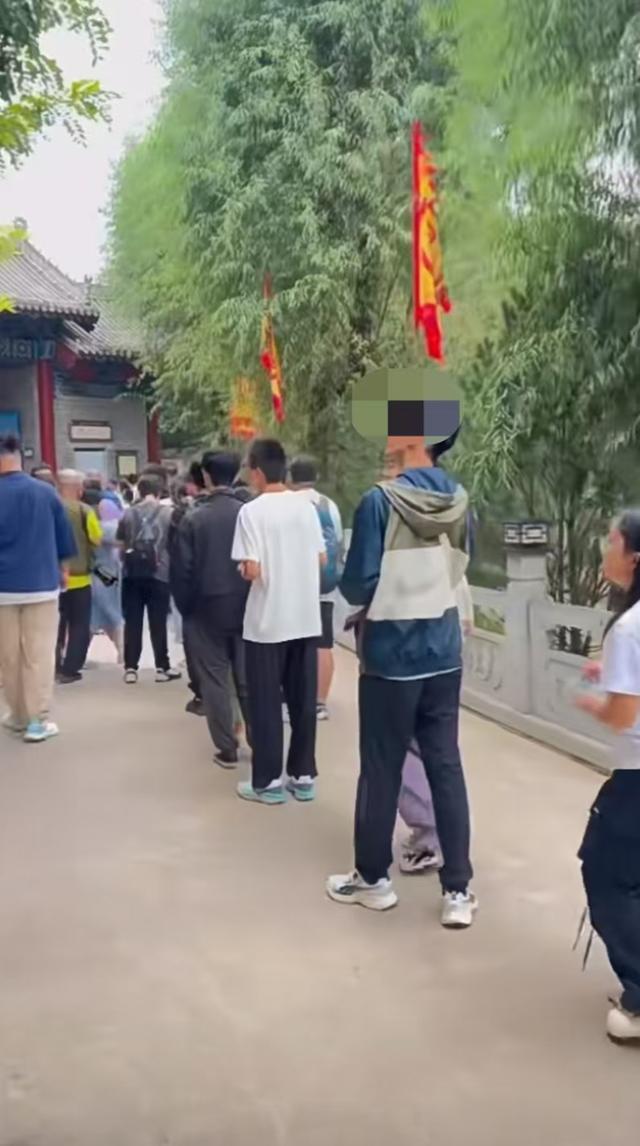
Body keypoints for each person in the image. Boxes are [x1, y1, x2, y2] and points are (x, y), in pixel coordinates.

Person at [327, 429, 476, 928]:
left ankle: (373, 880)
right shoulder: (459, 500)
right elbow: (460, 566)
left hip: (391, 655)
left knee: (381, 768)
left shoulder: (379, 501)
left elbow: (358, 584)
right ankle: (458, 890)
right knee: (445, 767)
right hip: (443, 650)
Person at [231, 439, 326, 804]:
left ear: (256, 470)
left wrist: (245, 569)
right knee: (303, 702)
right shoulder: (306, 507)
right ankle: (303, 776)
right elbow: (320, 559)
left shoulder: (251, 512)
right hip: (305, 618)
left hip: (267, 623)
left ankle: (268, 782)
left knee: (266, 703)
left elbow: (252, 569)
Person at [575, 511, 640, 1044]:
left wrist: (593, 702)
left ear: (634, 558)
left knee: (605, 873)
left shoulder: (630, 627)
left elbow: (623, 716)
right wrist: (614, 677)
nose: (605, 548)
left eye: (612, 541)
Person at [172, 451, 251, 766]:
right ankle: (261, 742)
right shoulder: (249, 513)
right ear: (237, 474)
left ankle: (227, 747)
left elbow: (182, 571)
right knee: (248, 679)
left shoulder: (194, 518)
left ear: (206, 475)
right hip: (247, 608)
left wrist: (187, 609)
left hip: (205, 609)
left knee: (215, 680)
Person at [0, 434, 76, 742]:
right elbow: (64, 539)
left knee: (8, 657)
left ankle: (17, 714)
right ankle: (37, 720)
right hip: (41, 584)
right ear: (19, 456)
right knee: (39, 655)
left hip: (2, 589)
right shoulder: (45, 493)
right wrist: (64, 571)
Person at [398, 575, 474, 875]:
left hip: (405, 656)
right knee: (442, 756)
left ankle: (429, 837)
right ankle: (448, 845)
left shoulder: (401, 549)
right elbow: (467, 620)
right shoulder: (452, 553)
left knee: (401, 751)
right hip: (447, 654)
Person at [289, 455, 343, 721]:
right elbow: (339, 542)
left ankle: (291, 698)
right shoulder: (328, 505)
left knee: (290, 644)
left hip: (293, 586)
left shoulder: (286, 504)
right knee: (323, 644)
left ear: (290, 477)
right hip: (324, 585)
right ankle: (319, 702)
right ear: (316, 477)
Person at [117, 474, 181, 684]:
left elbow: (120, 545)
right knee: (158, 621)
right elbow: (175, 545)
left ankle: (131, 668)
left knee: (133, 621)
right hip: (160, 574)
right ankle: (162, 667)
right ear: (159, 491)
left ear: (140, 490)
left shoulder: (128, 513)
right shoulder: (170, 513)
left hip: (132, 574)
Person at [56, 469, 102, 684]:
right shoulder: (85, 511)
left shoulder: (50, 508)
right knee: (79, 625)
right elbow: (96, 538)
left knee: (56, 625)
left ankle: (54, 665)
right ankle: (71, 668)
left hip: (53, 578)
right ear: (79, 489)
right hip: (80, 577)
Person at [90, 497, 124, 662]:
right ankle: (123, 652)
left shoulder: (101, 527)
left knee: (102, 612)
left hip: (98, 573)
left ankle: (76, 655)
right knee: (109, 612)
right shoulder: (114, 526)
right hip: (110, 573)